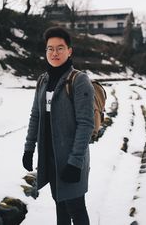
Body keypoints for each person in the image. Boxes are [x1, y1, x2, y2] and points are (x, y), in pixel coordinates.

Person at [22, 26, 95, 225]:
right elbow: (35, 116)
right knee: (60, 205)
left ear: (69, 51)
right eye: (50, 48)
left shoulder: (79, 81)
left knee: (76, 208)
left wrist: (74, 162)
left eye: (60, 48)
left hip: (71, 159)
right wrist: (29, 149)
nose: (54, 53)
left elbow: (86, 124)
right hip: (50, 158)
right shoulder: (43, 81)